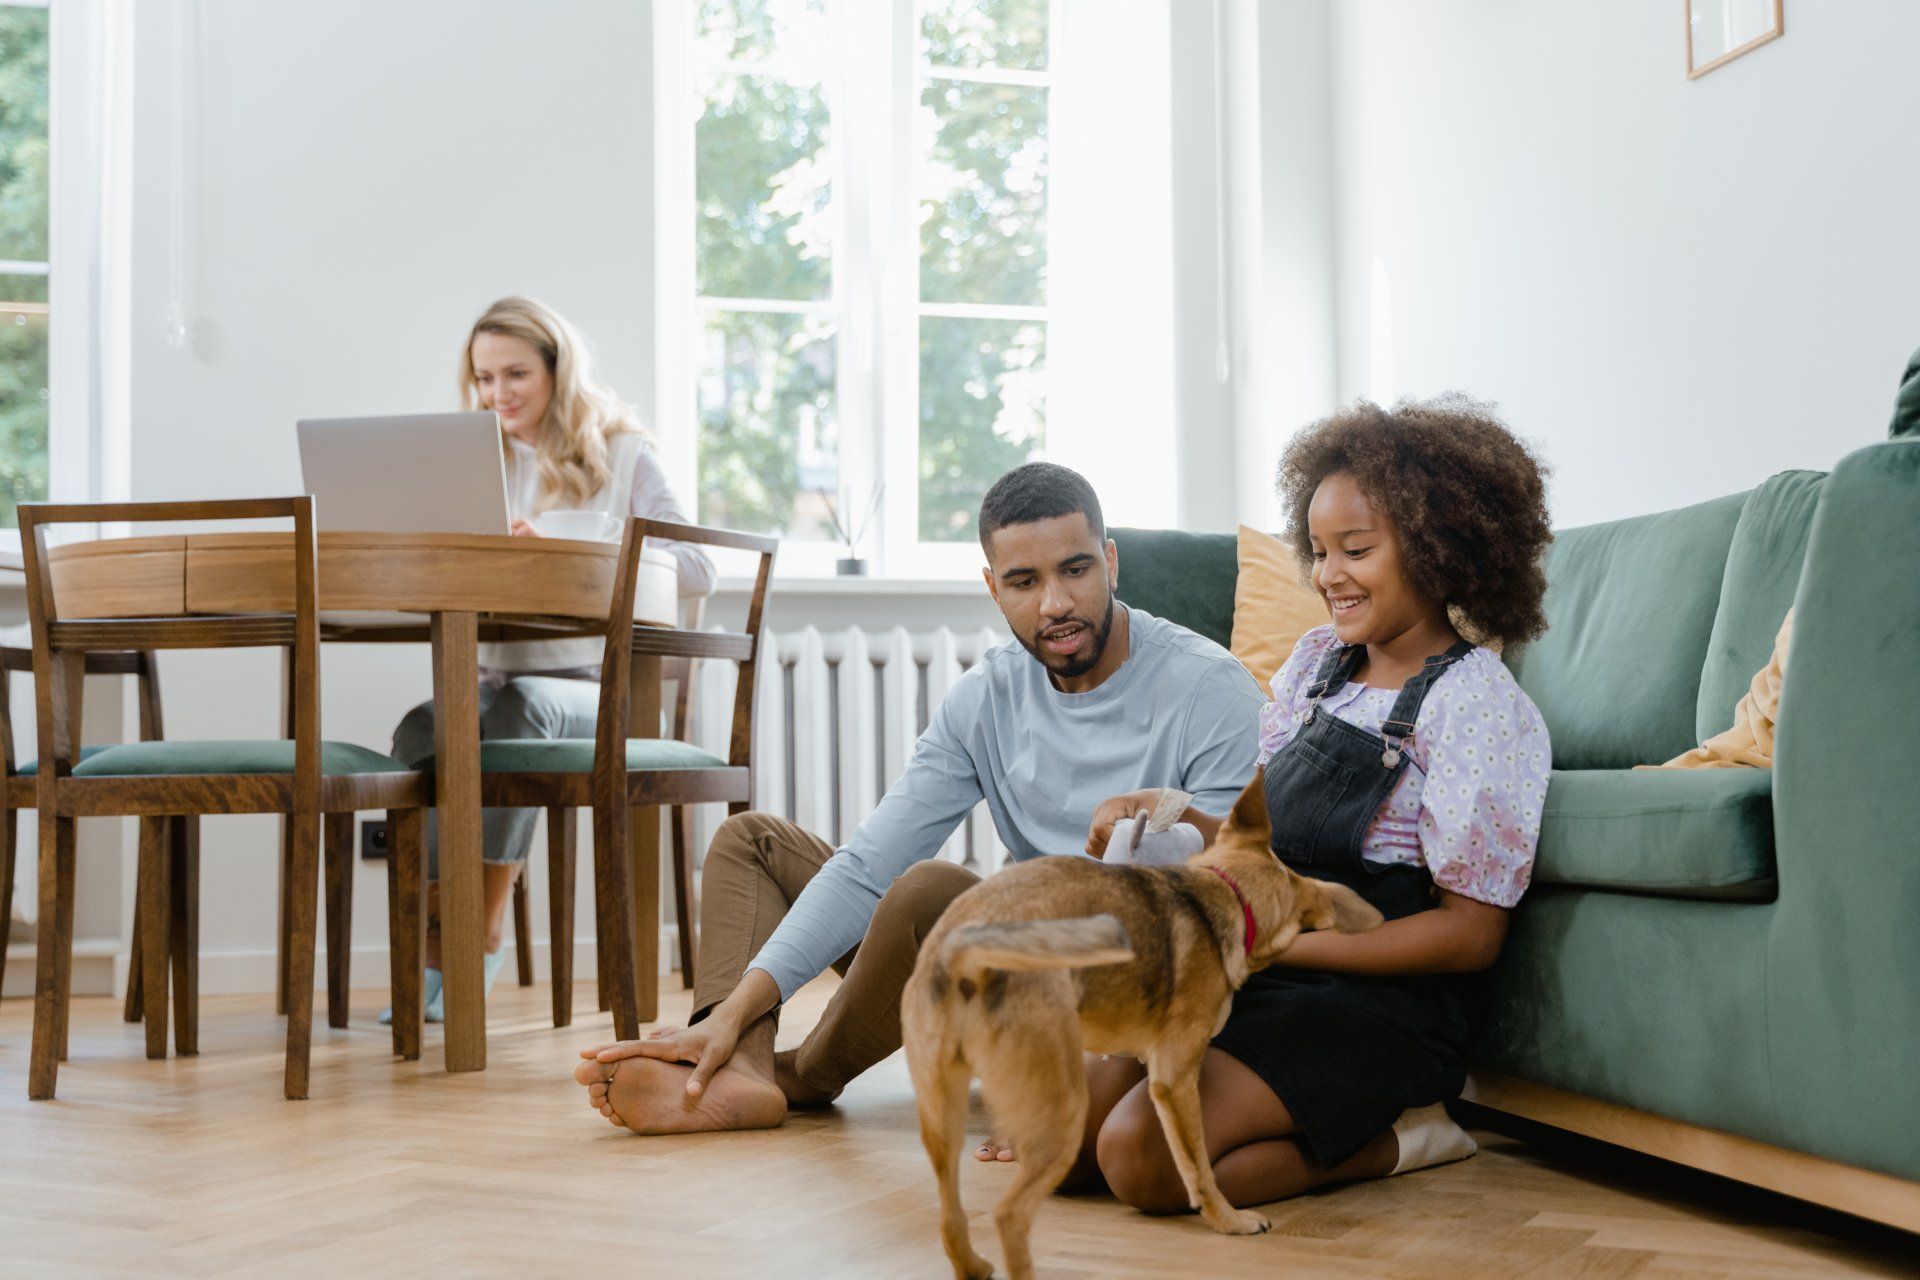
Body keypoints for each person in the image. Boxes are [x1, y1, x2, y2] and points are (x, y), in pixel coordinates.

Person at [571, 461, 1268, 1132]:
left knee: (930, 890)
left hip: (1114, 973)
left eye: (1075, 570)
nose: (1055, 604)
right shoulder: (983, 699)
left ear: (1111, 562)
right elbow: (866, 866)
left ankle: (802, 1077)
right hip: (1001, 963)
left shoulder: (1209, 687)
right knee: (752, 843)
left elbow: (1229, 896)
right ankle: (728, 1057)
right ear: (994, 589)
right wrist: (733, 1011)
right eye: (1025, 581)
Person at [1072, 394, 1555, 1209]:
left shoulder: (1477, 705)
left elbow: (1470, 936)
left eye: (1356, 549)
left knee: (1144, 1161)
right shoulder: (1317, 665)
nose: (1328, 574)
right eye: (1321, 549)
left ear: (1441, 551)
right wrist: (1172, 819)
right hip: (1264, 967)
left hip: (1374, 1003)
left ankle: (1406, 1139)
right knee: (1071, 1146)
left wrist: (1281, 948)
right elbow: (1261, 844)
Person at [384, 296, 714, 1023]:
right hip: (493, 678)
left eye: (515, 374)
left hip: (594, 691)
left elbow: (697, 567)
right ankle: (439, 936)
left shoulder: (622, 454)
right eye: (483, 378)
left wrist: (573, 549)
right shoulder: (470, 462)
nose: (497, 394)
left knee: (517, 711)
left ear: (557, 372)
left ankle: (477, 932)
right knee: (419, 730)